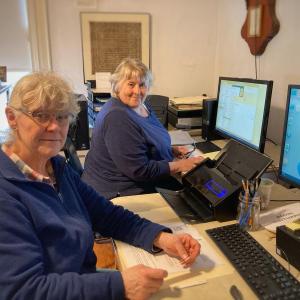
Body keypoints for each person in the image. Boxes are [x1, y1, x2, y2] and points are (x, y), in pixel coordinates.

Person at [0, 72, 201, 300]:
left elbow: (107, 215)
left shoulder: (56, 168)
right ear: (12, 117)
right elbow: (22, 291)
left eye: (62, 116)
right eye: (41, 115)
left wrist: (161, 238)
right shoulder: (6, 193)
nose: (54, 127)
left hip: (82, 280)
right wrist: (119, 285)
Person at [82, 58, 203, 199]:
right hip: (119, 191)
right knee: (194, 197)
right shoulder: (117, 117)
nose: (137, 91)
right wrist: (181, 165)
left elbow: (140, 143)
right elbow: (139, 170)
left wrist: (169, 150)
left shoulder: (141, 105)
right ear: (117, 86)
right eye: (131, 84)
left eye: (142, 85)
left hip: (136, 180)